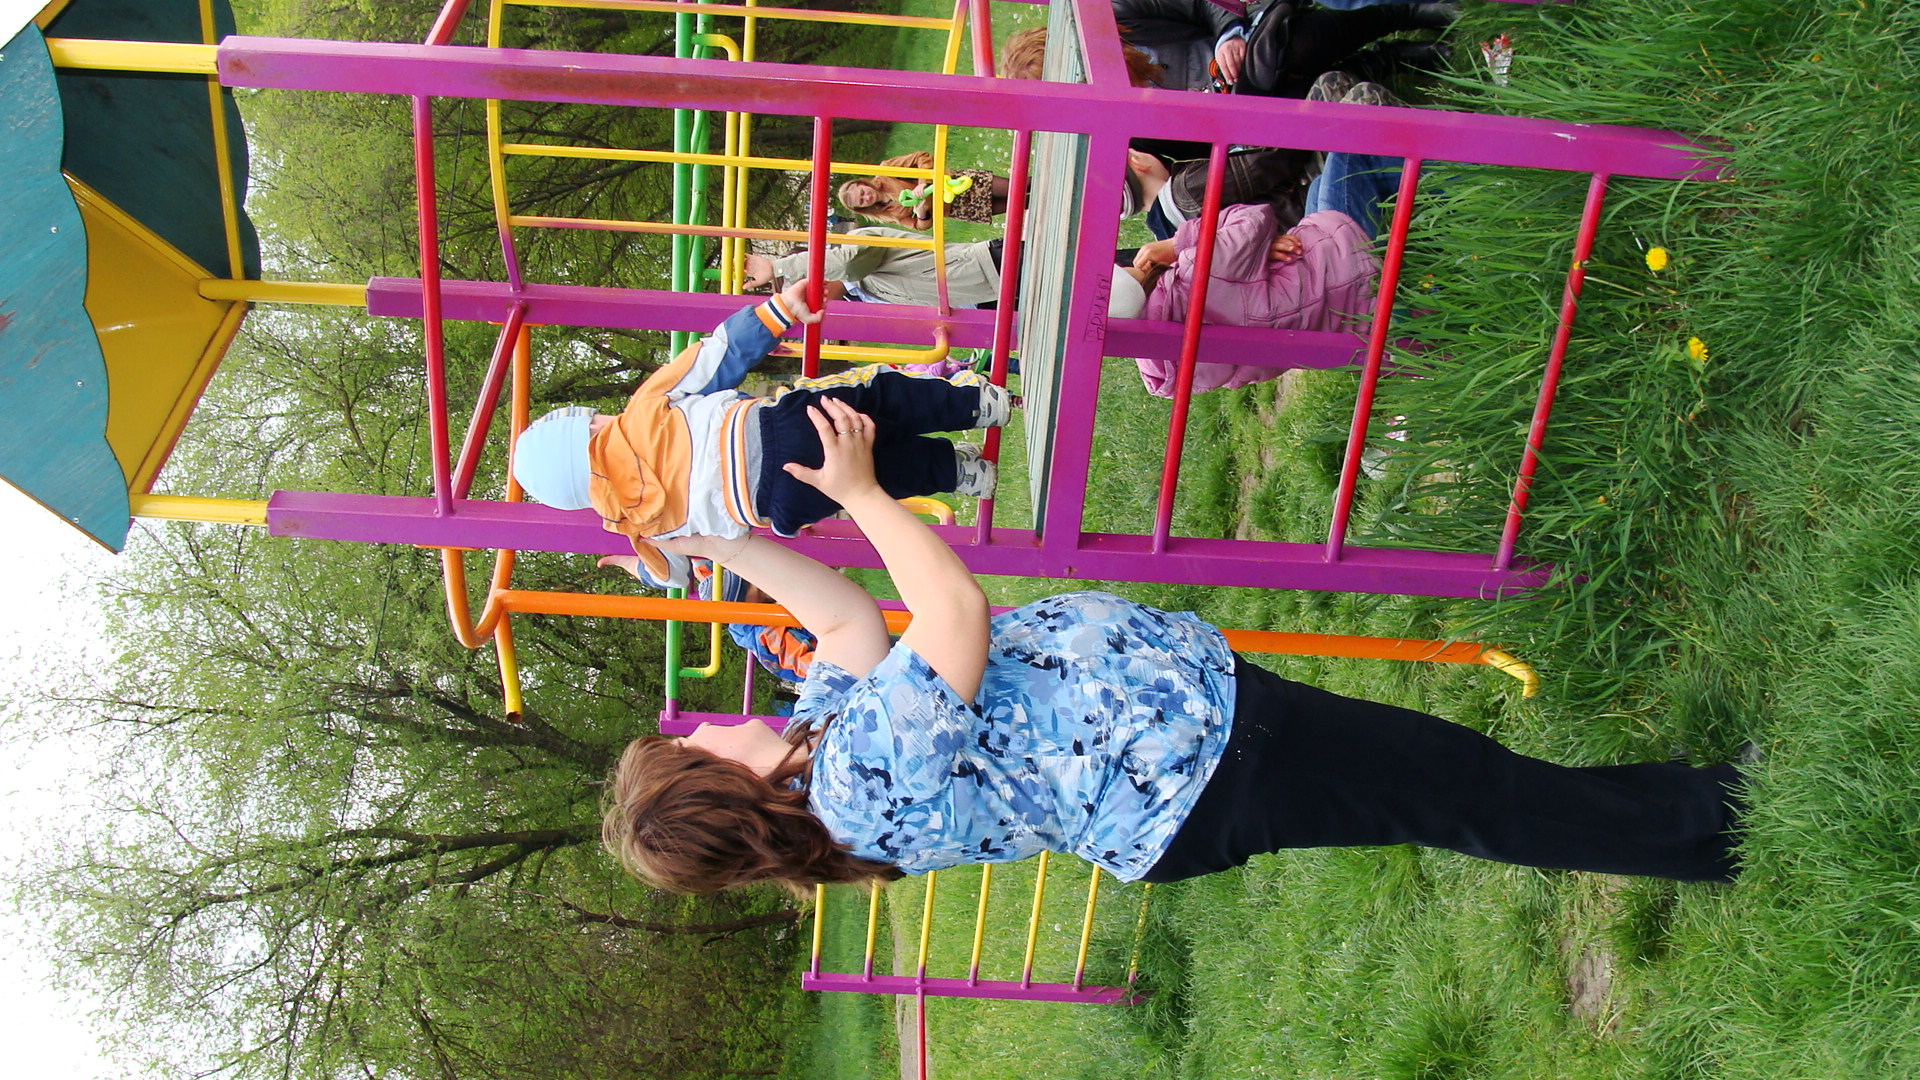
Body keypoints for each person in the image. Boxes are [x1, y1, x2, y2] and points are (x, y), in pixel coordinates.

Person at [601, 397, 1748, 896]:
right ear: (715, 786)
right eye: (694, 745)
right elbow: (947, 613)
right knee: (1464, 794)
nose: (707, 722)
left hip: (1203, 743)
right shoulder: (855, 782)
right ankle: (1722, 821)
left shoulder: (822, 745)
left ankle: (1695, 814)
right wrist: (862, 492)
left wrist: (711, 539)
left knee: (1460, 783)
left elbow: (846, 622)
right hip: (1200, 771)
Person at [511, 281, 1012, 589]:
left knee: (876, 478)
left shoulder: (638, 527)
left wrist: (630, 563)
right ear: (592, 428)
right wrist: (780, 309)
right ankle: (977, 404)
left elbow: (674, 576)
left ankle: (961, 473)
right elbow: (719, 355)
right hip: (776, 430)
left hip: (781, 502)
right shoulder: (641, 411)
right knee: (877, 397)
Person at [1113, 202, 1377, 396]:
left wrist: (1257, 252)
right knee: (1346, 166)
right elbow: (1255, 217)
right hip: (1352, 273)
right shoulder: (1193, 273)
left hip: (1343, 336)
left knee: (1318, 196)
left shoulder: (1166, 363)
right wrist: (1176, 244)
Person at [744, 236, 1005, 309]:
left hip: (988, 267)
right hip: (982, 302)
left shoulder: (855, 250)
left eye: (806, 290)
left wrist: (777, 267)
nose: (813, 299)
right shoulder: (859, 298)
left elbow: (848, 265)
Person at [839, 151, 1010, 230]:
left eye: (862, 193)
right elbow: (918, 226)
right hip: (959, 208)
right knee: (1016, 205)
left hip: (958, 183)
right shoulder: (886, 214)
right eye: (862, 201)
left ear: (862, 183)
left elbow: (921, 157)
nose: (867, 197)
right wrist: (922, 214)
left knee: (1015, 188)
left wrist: (923, 182)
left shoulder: (886, 171)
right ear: (862, 208)